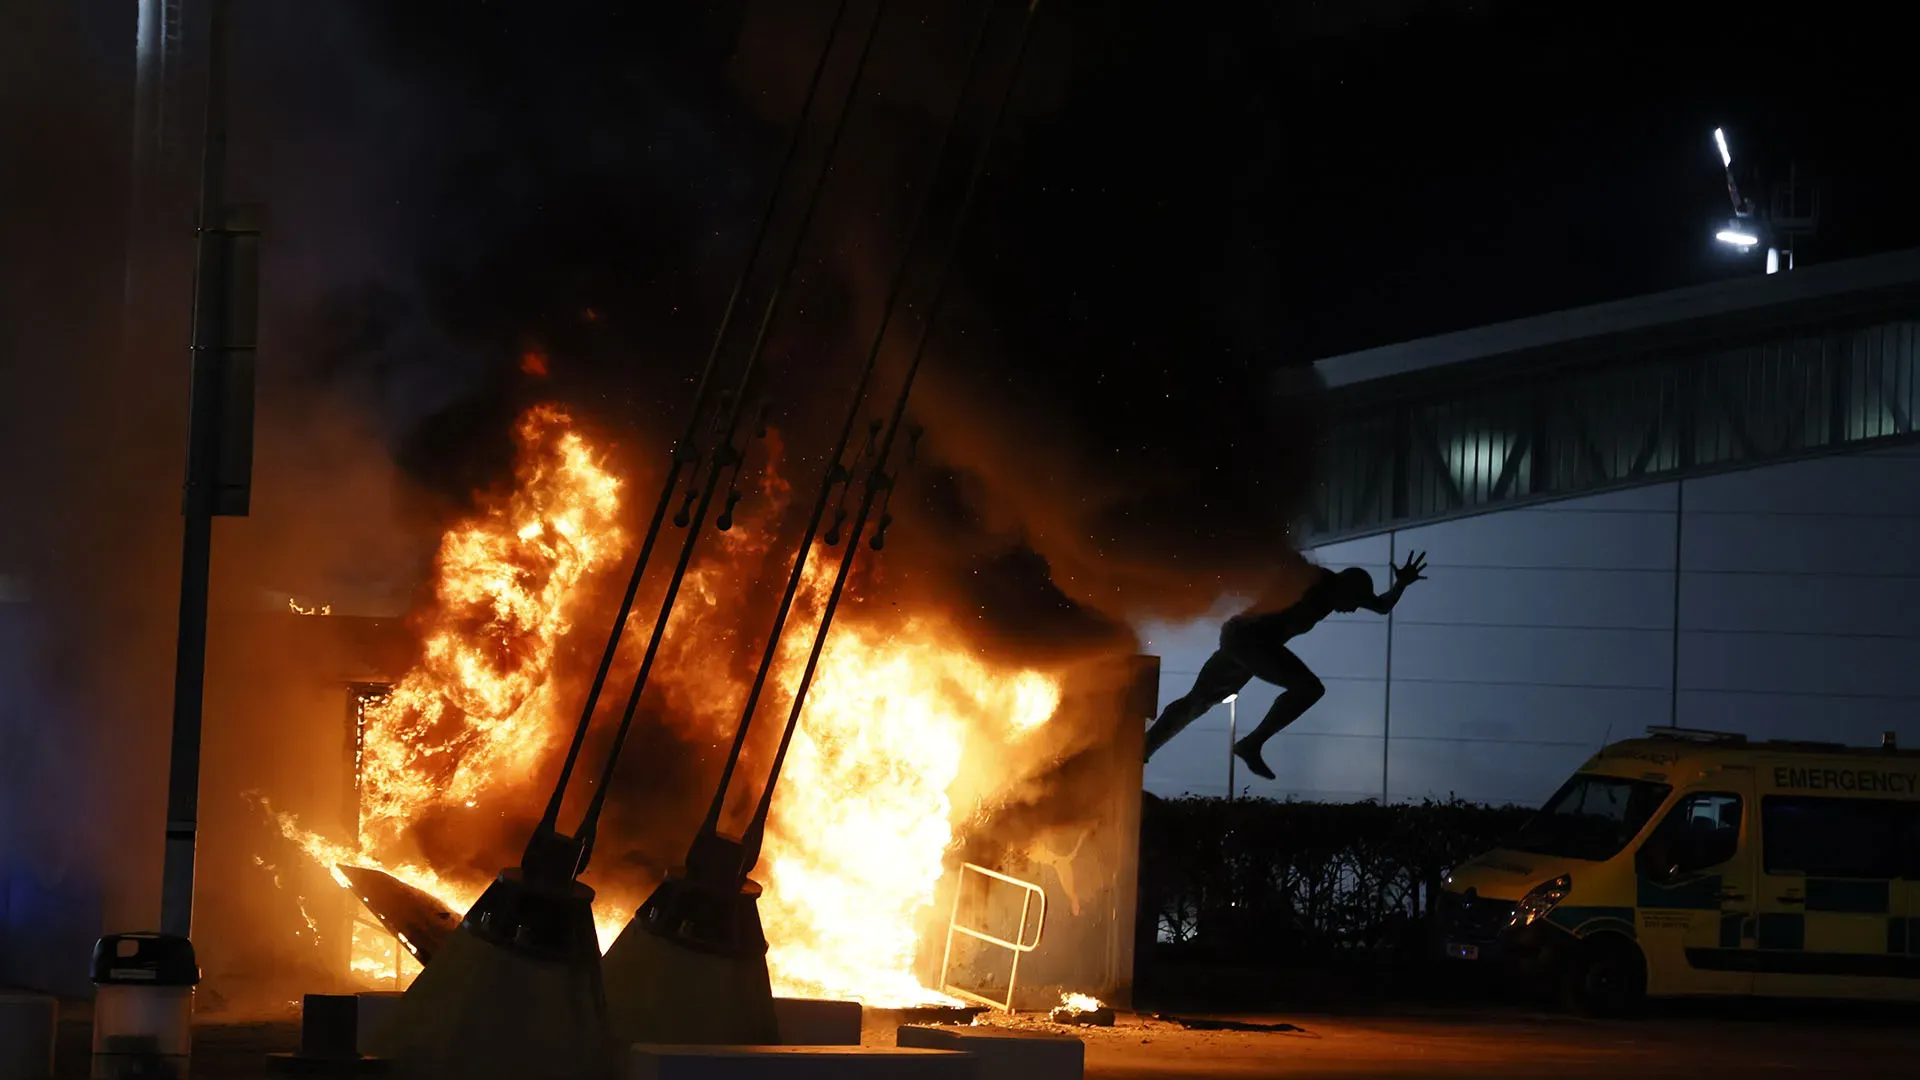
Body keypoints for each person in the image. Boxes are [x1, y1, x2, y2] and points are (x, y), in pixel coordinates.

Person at [1144, 552, 1429, 781]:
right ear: (1344, 587)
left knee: (1199, 701)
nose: (1353, 609)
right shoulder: (1312, 580)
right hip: (1247, 637)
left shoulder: (1339, 596)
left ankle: (1146, 746)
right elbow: (1278, 560)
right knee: (1309, 688)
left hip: (1246, 642)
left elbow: (1380, 606)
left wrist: (1401, 583)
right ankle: (1251, 743)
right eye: (1353, 602)